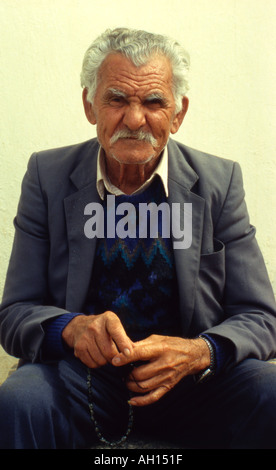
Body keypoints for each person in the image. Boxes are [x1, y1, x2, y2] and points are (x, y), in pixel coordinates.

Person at [0, 27, 276, 450]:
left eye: (153, 102)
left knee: (268, 391)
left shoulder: (219, 183)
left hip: (194, 383)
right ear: (90, 105)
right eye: (116, 99)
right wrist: (70, 328)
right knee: (20, 400)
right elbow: (15, 313)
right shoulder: (47, 177)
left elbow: (261, 318)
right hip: (83, 382)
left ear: (178, 113)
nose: (134, 119)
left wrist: (200, 352)